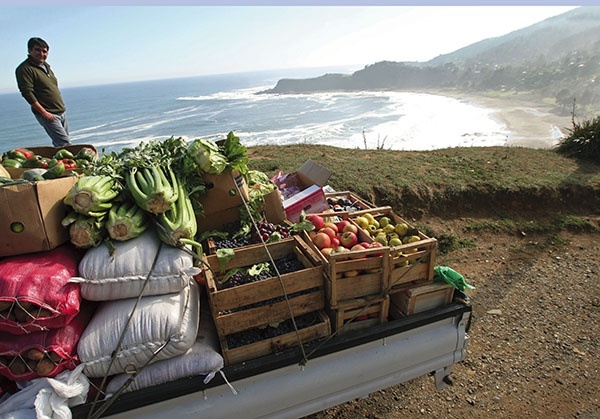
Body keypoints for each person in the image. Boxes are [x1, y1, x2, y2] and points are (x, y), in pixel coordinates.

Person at [15, 37, 71, 147]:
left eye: (44, 51)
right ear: (30, 50)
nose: (41, 53)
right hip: (48, 113)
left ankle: (61, 163)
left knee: (62, 145)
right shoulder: (25, 69)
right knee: (65, 144)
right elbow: (27, 93)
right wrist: (44, 113)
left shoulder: (46, 66)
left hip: (60, 111)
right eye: (37, 50)